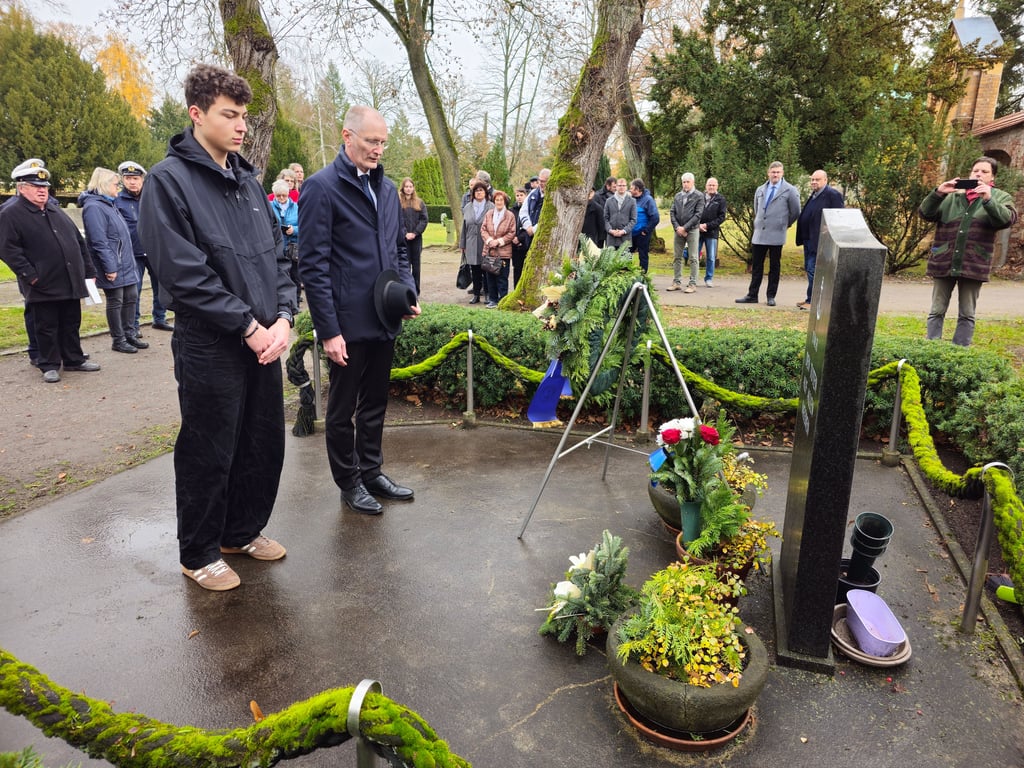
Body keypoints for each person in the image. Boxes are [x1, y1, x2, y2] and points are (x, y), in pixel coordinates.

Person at [138, 63, 295, 591]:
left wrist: (285, 318)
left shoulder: (247, 181)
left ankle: (240, 531)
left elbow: (277, 258)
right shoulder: (168, 181)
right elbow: (183, 273)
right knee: (210, 447)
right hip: (212, 344)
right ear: (197, 113)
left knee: (261, 440)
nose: (241, 125)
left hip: (263, 342)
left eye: (244, 115)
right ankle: (200, 551)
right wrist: (246, 325)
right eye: (230, 114)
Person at [298, 104, 421, 516]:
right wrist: (328, 330)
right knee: (342, 408)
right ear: (347, 136)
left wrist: (406, 293)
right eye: (372, 141)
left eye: (383, 142)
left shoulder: (386, 190)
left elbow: (399, 252)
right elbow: (312, 265)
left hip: (384, 317)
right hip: (347, 323)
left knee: (375, 402)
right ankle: (348, 481)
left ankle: (371, 471)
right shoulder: (321, 187)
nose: (378, 150)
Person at [0, 159, 101, 383]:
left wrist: (88, 269)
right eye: (36, 187)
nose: (41, 192)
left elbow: (77, 240)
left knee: (71, 321)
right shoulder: (10, 213)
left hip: (69, 279)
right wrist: (31, 276)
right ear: (21, 187)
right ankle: (49, 364)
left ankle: (74, 359)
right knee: (46, 325)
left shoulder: (53, 209)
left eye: (44, 187)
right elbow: (8, 249)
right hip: (42, 282)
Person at [919, 156, 1018, 347]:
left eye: (984, 172)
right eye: (975, 171)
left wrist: (988, 199)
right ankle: (932, 349)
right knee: (937, 309)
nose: (978, 174)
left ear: (992, 178)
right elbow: (925, 213)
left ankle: (960, 352)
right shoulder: (952, 195)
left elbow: (1006, 220)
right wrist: (938, 193)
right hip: (944, 259)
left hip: (974, 262)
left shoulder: (1001, 197)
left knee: (967, 312)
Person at [79, 167, 146, 354]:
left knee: (131, 297)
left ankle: (130, 333)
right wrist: (110, 267)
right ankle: (119, 339)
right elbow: (99, 241)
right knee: (116, 301)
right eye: (115, 184)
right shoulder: (94, 207)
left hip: (126, 262)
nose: (118, 187)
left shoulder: (109, 204)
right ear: (104, 185)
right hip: (113, 264)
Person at [116, 161, 173, 334]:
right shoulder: (118, 201)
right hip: (133, 253)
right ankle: (133, 325)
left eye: (135, 178)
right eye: (128, 178)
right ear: (123, 180)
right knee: (135, 291)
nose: (132, 182)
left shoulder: (152, 197)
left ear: (142, 179)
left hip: (155, 250)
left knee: (160, 287)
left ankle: (160, 318)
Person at [736, 161, 800, 306]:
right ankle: (752, 295)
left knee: (774, 267)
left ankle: (771, 296)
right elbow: (757, 208)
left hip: (776, 234)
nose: (775, 174)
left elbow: (795, 211)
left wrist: (785, 224)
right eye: (773, 172)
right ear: (768, 173)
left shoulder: (790, 190)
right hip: (759, 234)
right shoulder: (760, 189)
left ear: (782, 173)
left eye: (778, 172)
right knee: (757, 266)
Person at [794, 169, 844, 309]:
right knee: (810, 269)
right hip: (808, 239)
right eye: (812, 180)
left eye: (817, 179)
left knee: (813, 269)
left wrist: (829, 229)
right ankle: (810, 298)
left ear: (825, 180)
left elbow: (839, 216)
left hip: (820, 241)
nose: (814, 182)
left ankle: (814, 301)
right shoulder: (815, 194)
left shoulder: (832, 195)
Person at [480, 189, 516, 307]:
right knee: (490, 277)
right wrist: (490, 241)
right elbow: (483, 229)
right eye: (497, 200)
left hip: (503, 252)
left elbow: (511, 232)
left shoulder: (510, 215)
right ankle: (493, 300)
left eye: (501, 200)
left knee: (502, 278)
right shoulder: (489, 213)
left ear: (504, 201)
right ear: (494, 201)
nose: (499, 202)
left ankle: (502, 300)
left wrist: (499, 241)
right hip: (489, 250)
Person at [668, 172, 704, 291]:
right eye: (684, 182)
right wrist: (677, 227)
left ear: (693, 182)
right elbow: (672, 212)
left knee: (693, 257)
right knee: (677, 257)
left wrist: (685, 228)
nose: (686, 184)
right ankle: (676, 282)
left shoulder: (698, 196)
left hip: (692, 230)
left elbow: (698, 214)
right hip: (678, 230)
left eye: (688, 182)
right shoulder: (678, 196)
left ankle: (692, 283)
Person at [461, 180, 494, 304]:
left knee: (486, 269)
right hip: (471, 242)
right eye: (476, 191)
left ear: (485, 192)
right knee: (474, 269)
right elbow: (463, 227)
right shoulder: (467, 207)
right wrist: (462, 244)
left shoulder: (491, 206)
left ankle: (488, 294)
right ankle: (476, 294)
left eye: (481, 190)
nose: (479, 193)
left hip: (485, 242)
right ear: (473, 193)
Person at [270, 179, 301, 303]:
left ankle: (296, 301)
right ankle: (282, 302)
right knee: (280, 275)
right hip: (276, 246)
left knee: (295, 276)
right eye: (278, 196)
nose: (281, 198)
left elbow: (305, 226)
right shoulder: (269, 206)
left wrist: (294, 230)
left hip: (294, 247)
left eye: (284, 195)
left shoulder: (297, 208)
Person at [399, 177, 428, 294]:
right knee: (405, 264)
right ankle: (406, 289)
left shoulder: (420, 203)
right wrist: (404, 233)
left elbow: (424, 220)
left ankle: (416, 290)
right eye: (406, 186)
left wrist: (415, 233)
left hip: (416, 239)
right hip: (403, 239)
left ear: (413, 188)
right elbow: (397, 220)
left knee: (416, 265)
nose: (408, 189)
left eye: (410, 186)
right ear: (403, 188)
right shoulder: (398, 202)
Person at [697, 177, 727, 288]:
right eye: (709, 185)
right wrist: (698, 225)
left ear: (717, 186)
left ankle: (709, 278)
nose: (711, 187)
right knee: (695, 255)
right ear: (706, 186)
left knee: (711, 257)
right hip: (698, 231)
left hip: (712, 232)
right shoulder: (699, 197)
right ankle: (693, 278)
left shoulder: (721, 199)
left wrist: (707, 226)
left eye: (713, 185)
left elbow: (721, 217)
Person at [629, 179, 660, 273]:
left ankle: (643, 277)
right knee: (626, 255)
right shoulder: (630, 198)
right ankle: (626, 277)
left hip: (642, 234)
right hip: (630, 233)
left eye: (631, 188)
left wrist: (646, 230)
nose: (629, 190)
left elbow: (655, 217)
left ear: (637, 189)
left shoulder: (648, 200)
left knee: (643, 256)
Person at [604, 178, 636, 251]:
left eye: (623, 185)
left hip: (625, 238)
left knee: (625, 261)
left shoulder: (632, 201)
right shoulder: (608, 201)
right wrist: (610, 230)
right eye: (619, 185)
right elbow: (605, 218)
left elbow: (633, 220)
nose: (621, 187)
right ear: (616, 187)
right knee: (610, 261)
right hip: (611, 238)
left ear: (626, 187)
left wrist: (623, 231)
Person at [519, 168, 550, 240]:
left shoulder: (554, 196)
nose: (540, 183)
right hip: (529, 235)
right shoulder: (533, 193)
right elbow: (523, 211)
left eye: (543, 181)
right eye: (539, 180)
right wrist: (528, 226)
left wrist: (535, 229)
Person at [510, 185, 531, 288]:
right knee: (516, 269)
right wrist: (513, 238)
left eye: (521, 195)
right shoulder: (512, 211)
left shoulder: (529, 209)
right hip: (514, 245)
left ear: (526, 196)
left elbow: (529, 226)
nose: (519, 197)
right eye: (517, 195)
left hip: (526, 243)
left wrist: (520, 238)